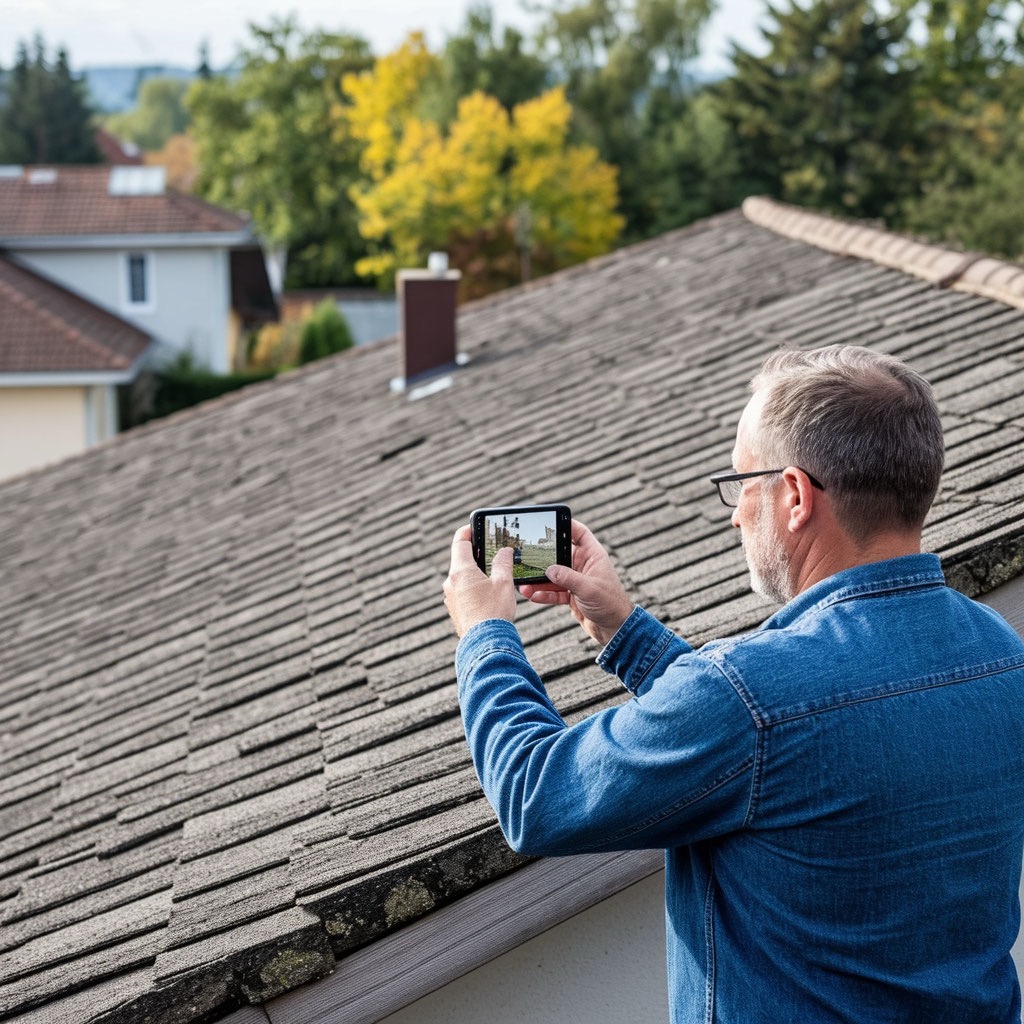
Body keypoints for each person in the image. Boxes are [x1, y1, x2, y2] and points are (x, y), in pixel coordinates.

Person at [443, 345, 1024, 1023]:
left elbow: (535, 795)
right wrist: (622, 631)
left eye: (742, 483)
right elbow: (779, 743)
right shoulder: (1001, 654)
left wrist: (485, 633)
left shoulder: (749, 699)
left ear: (795, 496)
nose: (735, 514)